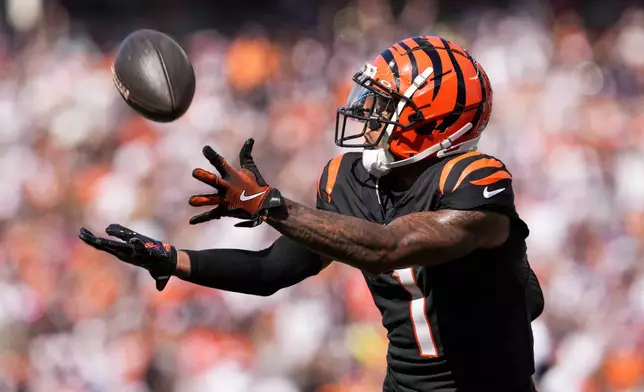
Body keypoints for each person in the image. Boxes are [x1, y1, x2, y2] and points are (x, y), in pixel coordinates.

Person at [80, 36, 544, 392]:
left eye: (386, 105)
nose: (369, 112)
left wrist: (268, 205)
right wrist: (173, 260)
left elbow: (388, 247)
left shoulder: (475, 178)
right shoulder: (348, 179)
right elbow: (273, 269)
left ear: (434, 120)